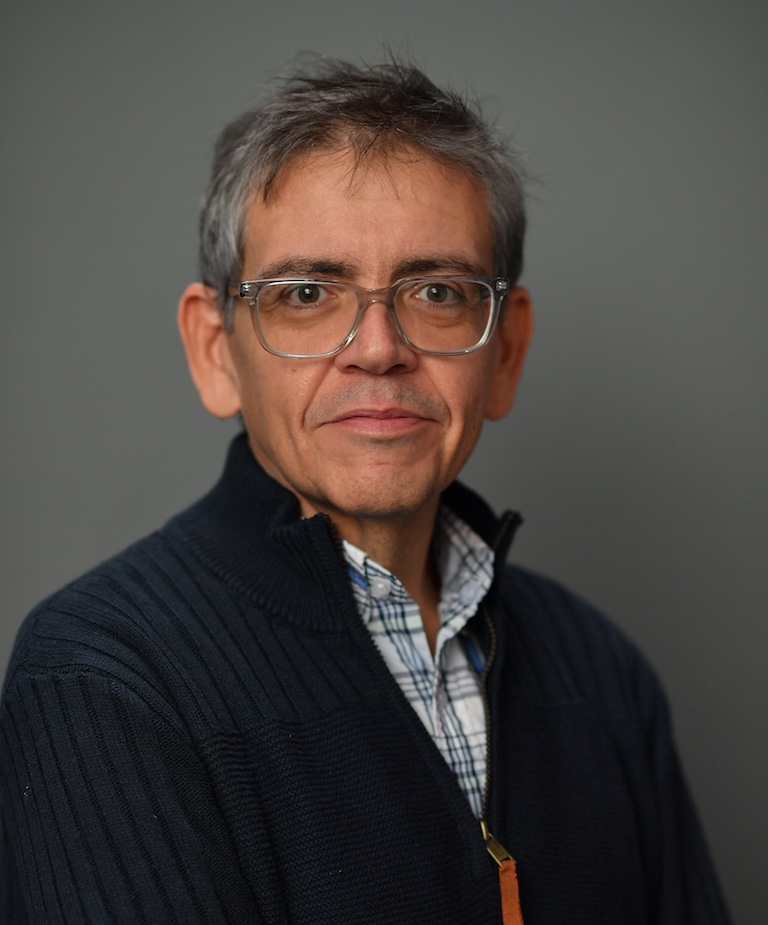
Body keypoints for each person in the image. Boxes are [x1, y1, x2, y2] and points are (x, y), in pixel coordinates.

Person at [0, 58, 729, 925]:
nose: (378, 348)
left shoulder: (602, 672)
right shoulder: (103, 678)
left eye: (438, 292)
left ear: (505, 353)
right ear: (215, 350)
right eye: (307, 293)